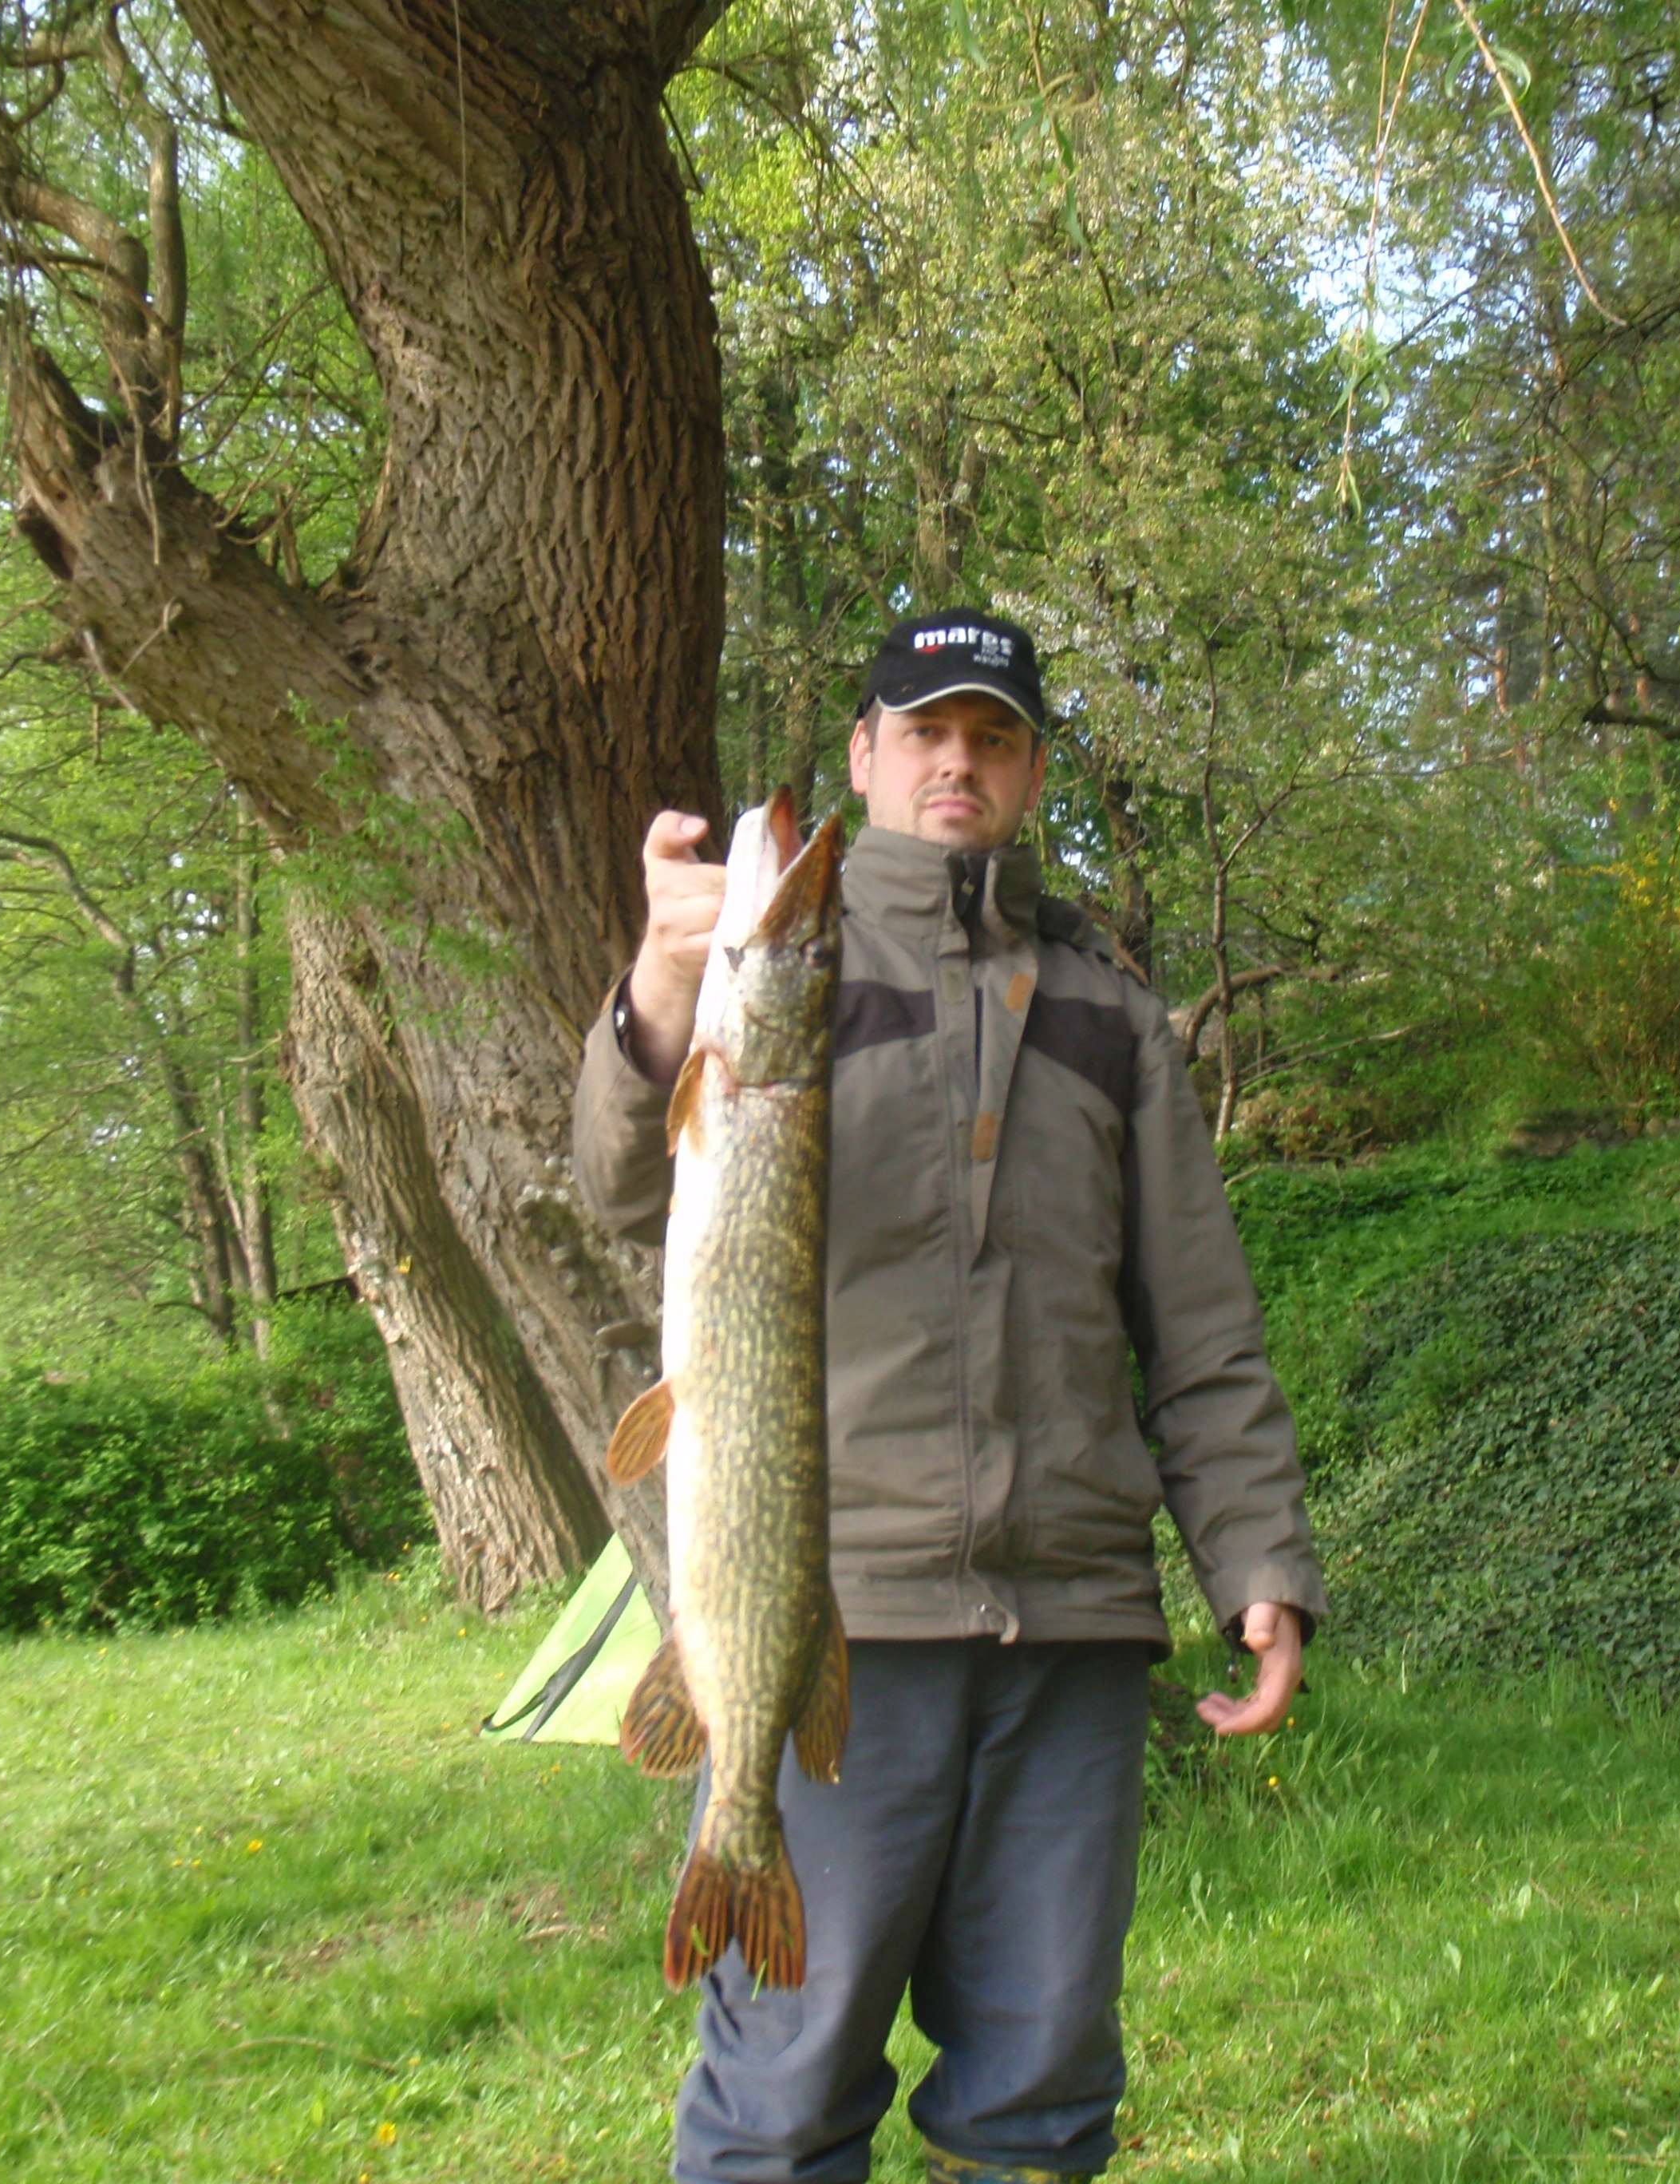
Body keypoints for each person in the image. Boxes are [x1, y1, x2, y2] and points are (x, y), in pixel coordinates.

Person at [573, 608, 1326, 2184]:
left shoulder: (1110, 1013)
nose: (956, 763)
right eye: (923, 731)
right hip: (832, 1622)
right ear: (866, 754)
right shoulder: (781, 975)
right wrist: (662, 981)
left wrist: (1256, 1558)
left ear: (1032, 768)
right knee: (783, 2098)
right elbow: (621, 1185)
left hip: (1072, 1632)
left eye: (992, 736)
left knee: (1041, 2101)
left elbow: (1200, 1325)